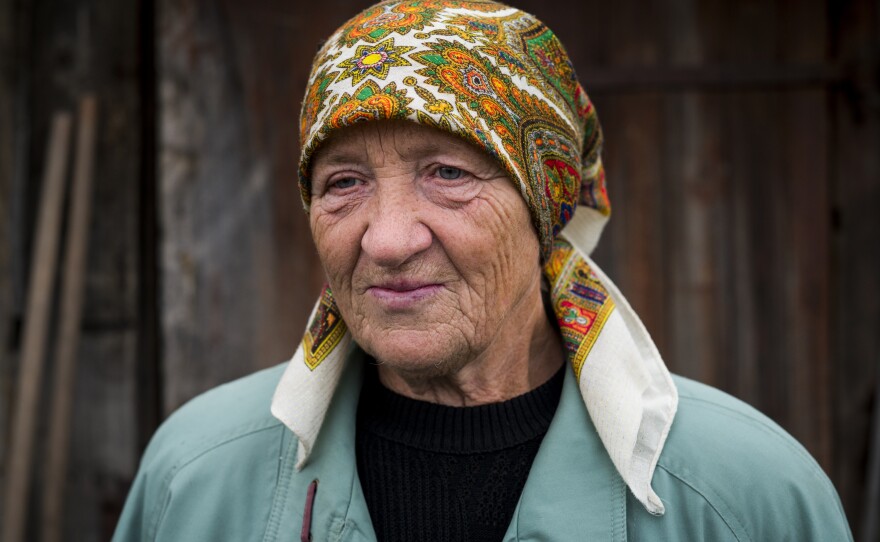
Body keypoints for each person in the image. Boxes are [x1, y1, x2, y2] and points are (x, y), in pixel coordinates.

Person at [113, 1, 853, 540]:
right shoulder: (196, 477)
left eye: (447, 172)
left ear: (544, 209)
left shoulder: (744, 496)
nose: (388, 239)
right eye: (344, 182)